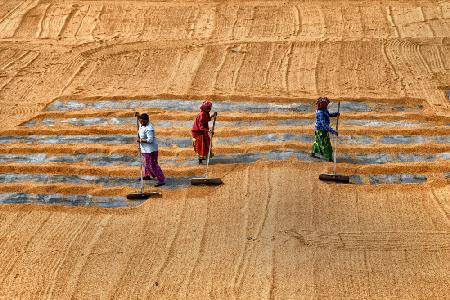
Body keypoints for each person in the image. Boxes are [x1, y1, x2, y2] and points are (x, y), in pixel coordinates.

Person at [136, 113, 165, 187]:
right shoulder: (141, 124)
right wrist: (138, 116)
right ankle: (147, 175)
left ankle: (161, 179)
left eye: (143, 122)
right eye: (140, 121)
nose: (141, 123)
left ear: (147, 121)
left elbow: (150, 140)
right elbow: (140, 120)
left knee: (153, 164)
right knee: (145, 163)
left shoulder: (149, 128)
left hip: (151, 150)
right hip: (144, 149)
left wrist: (140, 140)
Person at [311, 97, 339, 162]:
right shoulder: (320, 112)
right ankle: (329, 158)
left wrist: (335, 114)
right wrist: (333, 131)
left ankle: (313, 153)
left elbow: (328, 115)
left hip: (322, 129)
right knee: (326, 144)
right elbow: (324, 125)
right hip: (321, 131)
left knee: (318, 142)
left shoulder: (324, 109)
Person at [192, 100, 217, 164]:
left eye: (210, 108)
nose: (209, 109)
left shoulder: (206, 113)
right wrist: (209, 130)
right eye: (208, 108)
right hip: (198, 132)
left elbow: (207, 119)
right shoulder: (202, 114)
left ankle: (204, 157)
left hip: (203, 132)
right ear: (205, 108)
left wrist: (212, 116)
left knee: (206, 144)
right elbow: (201, 127)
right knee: (201, 146)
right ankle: (200, 160)